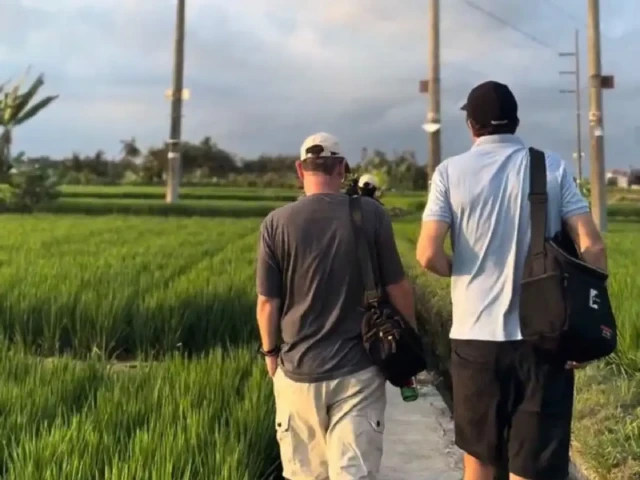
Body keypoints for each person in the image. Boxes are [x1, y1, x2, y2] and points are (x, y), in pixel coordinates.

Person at [416, 81, 607, 480]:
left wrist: (462, 268)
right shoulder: (550, 166)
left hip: (474, 341)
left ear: (471, 125)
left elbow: (427, 254)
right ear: (516, 123)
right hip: (544, 339)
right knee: (532, 467)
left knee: (480, 463)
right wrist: (586, 327)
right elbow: (592, 246)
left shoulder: (450, 172)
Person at [256, 132, 416, 480]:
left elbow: (268, 303)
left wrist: (271, 356)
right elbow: (398, 287)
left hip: (297, 373)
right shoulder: (371, 215)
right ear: (342, 168)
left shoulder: (276, 223)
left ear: (300, 169)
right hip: (358, 372)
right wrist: (410, 346)